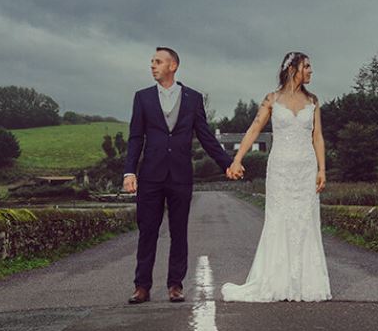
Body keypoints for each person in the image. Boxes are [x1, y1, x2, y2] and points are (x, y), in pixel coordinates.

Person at [123, 46, 234, 304]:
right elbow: (136, 137)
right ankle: (142, 286)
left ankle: (175, 285)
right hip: (150, 175)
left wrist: (227, 164)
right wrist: (129, 171)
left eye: (158, 62)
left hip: (180, 175)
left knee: (179, 231)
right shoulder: (142, 97)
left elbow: (205, 136)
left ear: (173, 66)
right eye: (152, 62)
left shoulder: (193, 98)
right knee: (147, 231)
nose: (152, 66)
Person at [221, 51, 331, 302]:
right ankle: (277, 281)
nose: (311, 71)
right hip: (280, 170)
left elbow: (317, 136)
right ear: (292, 69)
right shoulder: (272, 99)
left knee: (304, 221)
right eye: (306, 66)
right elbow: (254, 129)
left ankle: (304, 283)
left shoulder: (313, 100)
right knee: (279, 220)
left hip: (305, 170)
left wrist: (322, 169)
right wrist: (237, 159)